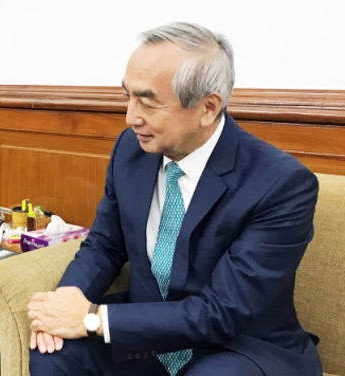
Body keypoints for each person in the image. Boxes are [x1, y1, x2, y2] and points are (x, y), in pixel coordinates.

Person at [26, 22, 323, 376]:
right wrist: (63, 306)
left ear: (208, 108)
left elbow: (224, 311)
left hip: (236, 345)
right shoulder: (130, 150)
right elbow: (104, 245)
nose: (130, 117)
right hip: (146, 332)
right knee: (55, 353)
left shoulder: (280, 184)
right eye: (128, 96)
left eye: (148, 103)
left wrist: (93, 319)